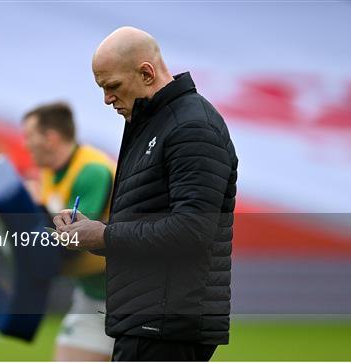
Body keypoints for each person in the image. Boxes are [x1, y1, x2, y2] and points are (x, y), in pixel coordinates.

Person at [53, 27, 238, 361]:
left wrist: (106, 236)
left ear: (146, 73)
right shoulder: (155, 124)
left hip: (165, 326)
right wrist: (93, 234)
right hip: (147, 321)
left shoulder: (192, 126)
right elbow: (149, 224)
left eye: (112, 86)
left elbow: (192, 231)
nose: (107, 98)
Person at [21, 102, 116, 361]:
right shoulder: (49, 171)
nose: (25, 144)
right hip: (90, 295)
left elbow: (72, 244)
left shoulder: (92, 170)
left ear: (50, 138)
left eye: (29, 136)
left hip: (129, 300)